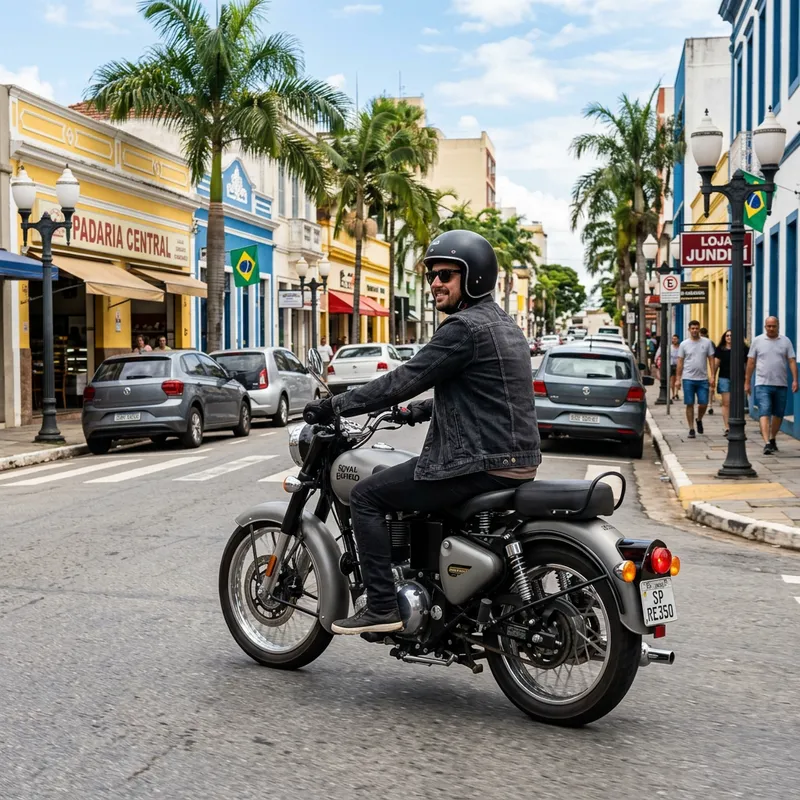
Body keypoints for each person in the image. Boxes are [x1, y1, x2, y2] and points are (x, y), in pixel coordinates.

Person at [303, 230, 540, 635]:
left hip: (477, 463)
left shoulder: (463, 328)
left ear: (474, 277)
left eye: (446, 275)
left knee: (367, 495)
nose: (435, 283)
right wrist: (420, 410)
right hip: (514, 460)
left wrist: (335, 404)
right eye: (432, 275)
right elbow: (487, 395)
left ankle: (381, 605)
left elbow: (403, 378)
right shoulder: (504, 325)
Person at [745, 316, 798, 455]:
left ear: (778, 326)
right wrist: (747, 382)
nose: (771, 329)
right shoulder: (758, 341)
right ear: (765, 327)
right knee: (765, 410)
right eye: (768, 326)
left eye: (773, 326)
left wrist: (795, 380)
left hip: (781, 383)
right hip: (762, 383)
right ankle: (767, 442)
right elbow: (751, 362)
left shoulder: (785, 341)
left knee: (778, 413)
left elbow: (791, 360)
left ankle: (773, 437)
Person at [676, 320, 715, 439]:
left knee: (703, 403)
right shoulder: (684, 344)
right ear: (689, 330)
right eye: (692, 328)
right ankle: (691, 428)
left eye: (696, 328)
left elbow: (711, 359)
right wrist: (678, 378)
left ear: (699, 329)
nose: (694, 330)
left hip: (702, 378)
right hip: (688, 378)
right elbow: (680, 361)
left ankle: (699, 419)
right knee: (689, 403)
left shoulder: (707, 343)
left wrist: (712, 375)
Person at [699, 328, 715, 413]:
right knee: (710, 387)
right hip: (705, 368)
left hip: (707, 368)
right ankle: (709, 404)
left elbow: (713, 357)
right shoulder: (710, 342)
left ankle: (709, 404)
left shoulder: (709, 343)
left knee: (710, 387)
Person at [670, 334, 681, 400]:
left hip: (679, 365)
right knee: (672, 380)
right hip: (671, 365)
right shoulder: (670, 347)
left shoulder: (680, 347)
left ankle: (677, 393)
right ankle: (673, 394)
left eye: (675, 339)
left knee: (678, 379)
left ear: (678, 340)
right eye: (673, 339)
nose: (674, 340)